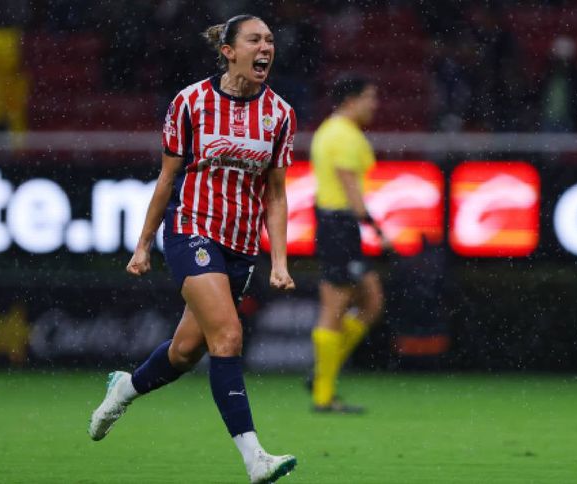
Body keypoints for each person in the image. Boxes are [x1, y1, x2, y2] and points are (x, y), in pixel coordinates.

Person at [88, 14, 298, 484]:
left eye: (269, 40)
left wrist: (279, 261)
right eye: (254, 39)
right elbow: (167, 179)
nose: (265, 47)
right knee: (228, 337)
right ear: (228, 50)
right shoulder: (191, 102)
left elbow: (277, 193)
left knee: (185, 352)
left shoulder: (280, 114)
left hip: (241, 246)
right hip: (192, 230)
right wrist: (143, 245)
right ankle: (255, 458)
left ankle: (124, 389)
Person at [309, 76, 385, 414]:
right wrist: (375, 227)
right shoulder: (342, 135)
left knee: (371, 299)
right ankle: (323, 394)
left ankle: (324, 372)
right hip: (338, 224)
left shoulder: (333, 130)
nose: (374, 104)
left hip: (338, 225)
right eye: (369, 97)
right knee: (335, 306)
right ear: (351, 100)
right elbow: (349, 185)